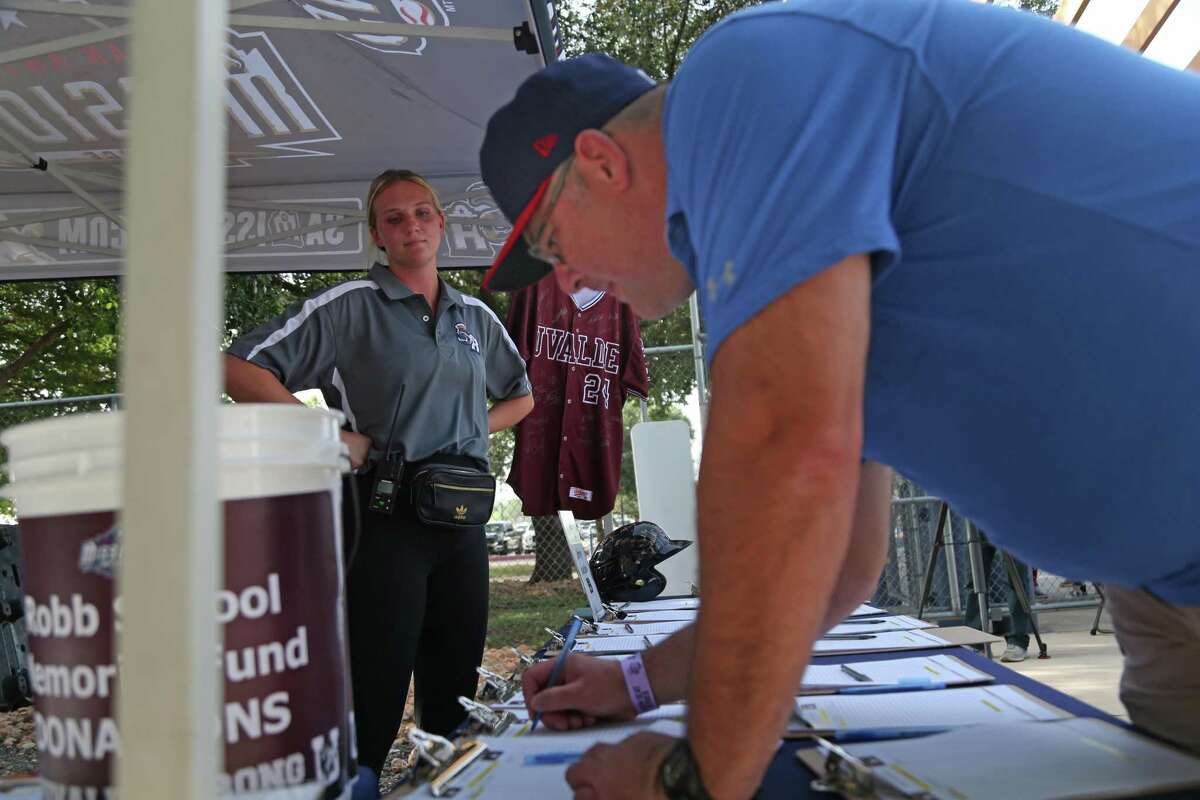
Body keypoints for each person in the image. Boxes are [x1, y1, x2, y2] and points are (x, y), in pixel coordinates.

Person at [475, 1, 1200, 797]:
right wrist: (638, 684)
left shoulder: (739, 80)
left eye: (549, 242)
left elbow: (784, 445)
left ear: (603, 162)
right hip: (1165, 589)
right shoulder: (793, 242)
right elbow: (840, 566)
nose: (566, 280)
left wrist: (696, 778)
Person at [224, 169, 533, 791]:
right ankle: (356, 780)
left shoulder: (473, 315)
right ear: (376, 235)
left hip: (463, 517)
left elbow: (522, 396)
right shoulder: (348, 307)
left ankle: (442, 778)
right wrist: (331, 437)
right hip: (383, 513)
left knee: (454, 672)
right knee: (377, 671)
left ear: (442, 223)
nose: (410, 226)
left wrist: (468, 431)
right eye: (394, 218)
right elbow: (238, 369)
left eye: (422, 213)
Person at [962, 530, 1038, 663]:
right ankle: (975, 642)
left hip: (1009, 517)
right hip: (977, 518)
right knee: (975, 579)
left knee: (1015, 578)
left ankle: (1018, 641)